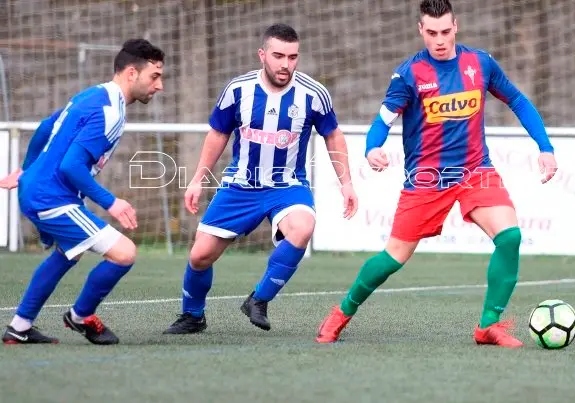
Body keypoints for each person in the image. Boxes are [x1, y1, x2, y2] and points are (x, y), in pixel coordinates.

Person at [315, 0, 558, 347]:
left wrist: (545, 148)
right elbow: (382, 121)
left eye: (445, 31)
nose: (439, 40)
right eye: (431, 32)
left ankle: (489, 325)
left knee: (510, 237)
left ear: (456, 26)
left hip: (476, 171)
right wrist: (372, 148)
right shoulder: (409, 74)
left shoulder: (481, 63)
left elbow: (518, 100)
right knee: (393, 258)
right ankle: (341, 313)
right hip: (426, 179)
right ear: (421, 30)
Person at [164, 23, 358, 335]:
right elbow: (218, 134)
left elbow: (333, 136)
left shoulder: (313, 93)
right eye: (278, 55)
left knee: (303, 227)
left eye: (293, 57)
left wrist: (346, 182)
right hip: (240, 186)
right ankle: (192, 316)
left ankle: (259, 300)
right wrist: (198, 178)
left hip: (287, 186)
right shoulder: (238, 90)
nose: (286, 64)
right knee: (200, 256)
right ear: (262, 55)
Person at [0, 39, 165, 345]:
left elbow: (46, 127)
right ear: (131, 73)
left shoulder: (92, 94)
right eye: (154, 76)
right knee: (124, 254)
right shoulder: (109, 112)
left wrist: (27, 170)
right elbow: (71, 167)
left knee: (67, 255)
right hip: (52, 198)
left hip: (40, 191)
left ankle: (19, 326)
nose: (160, 86)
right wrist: (111, 202)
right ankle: (80, 317)